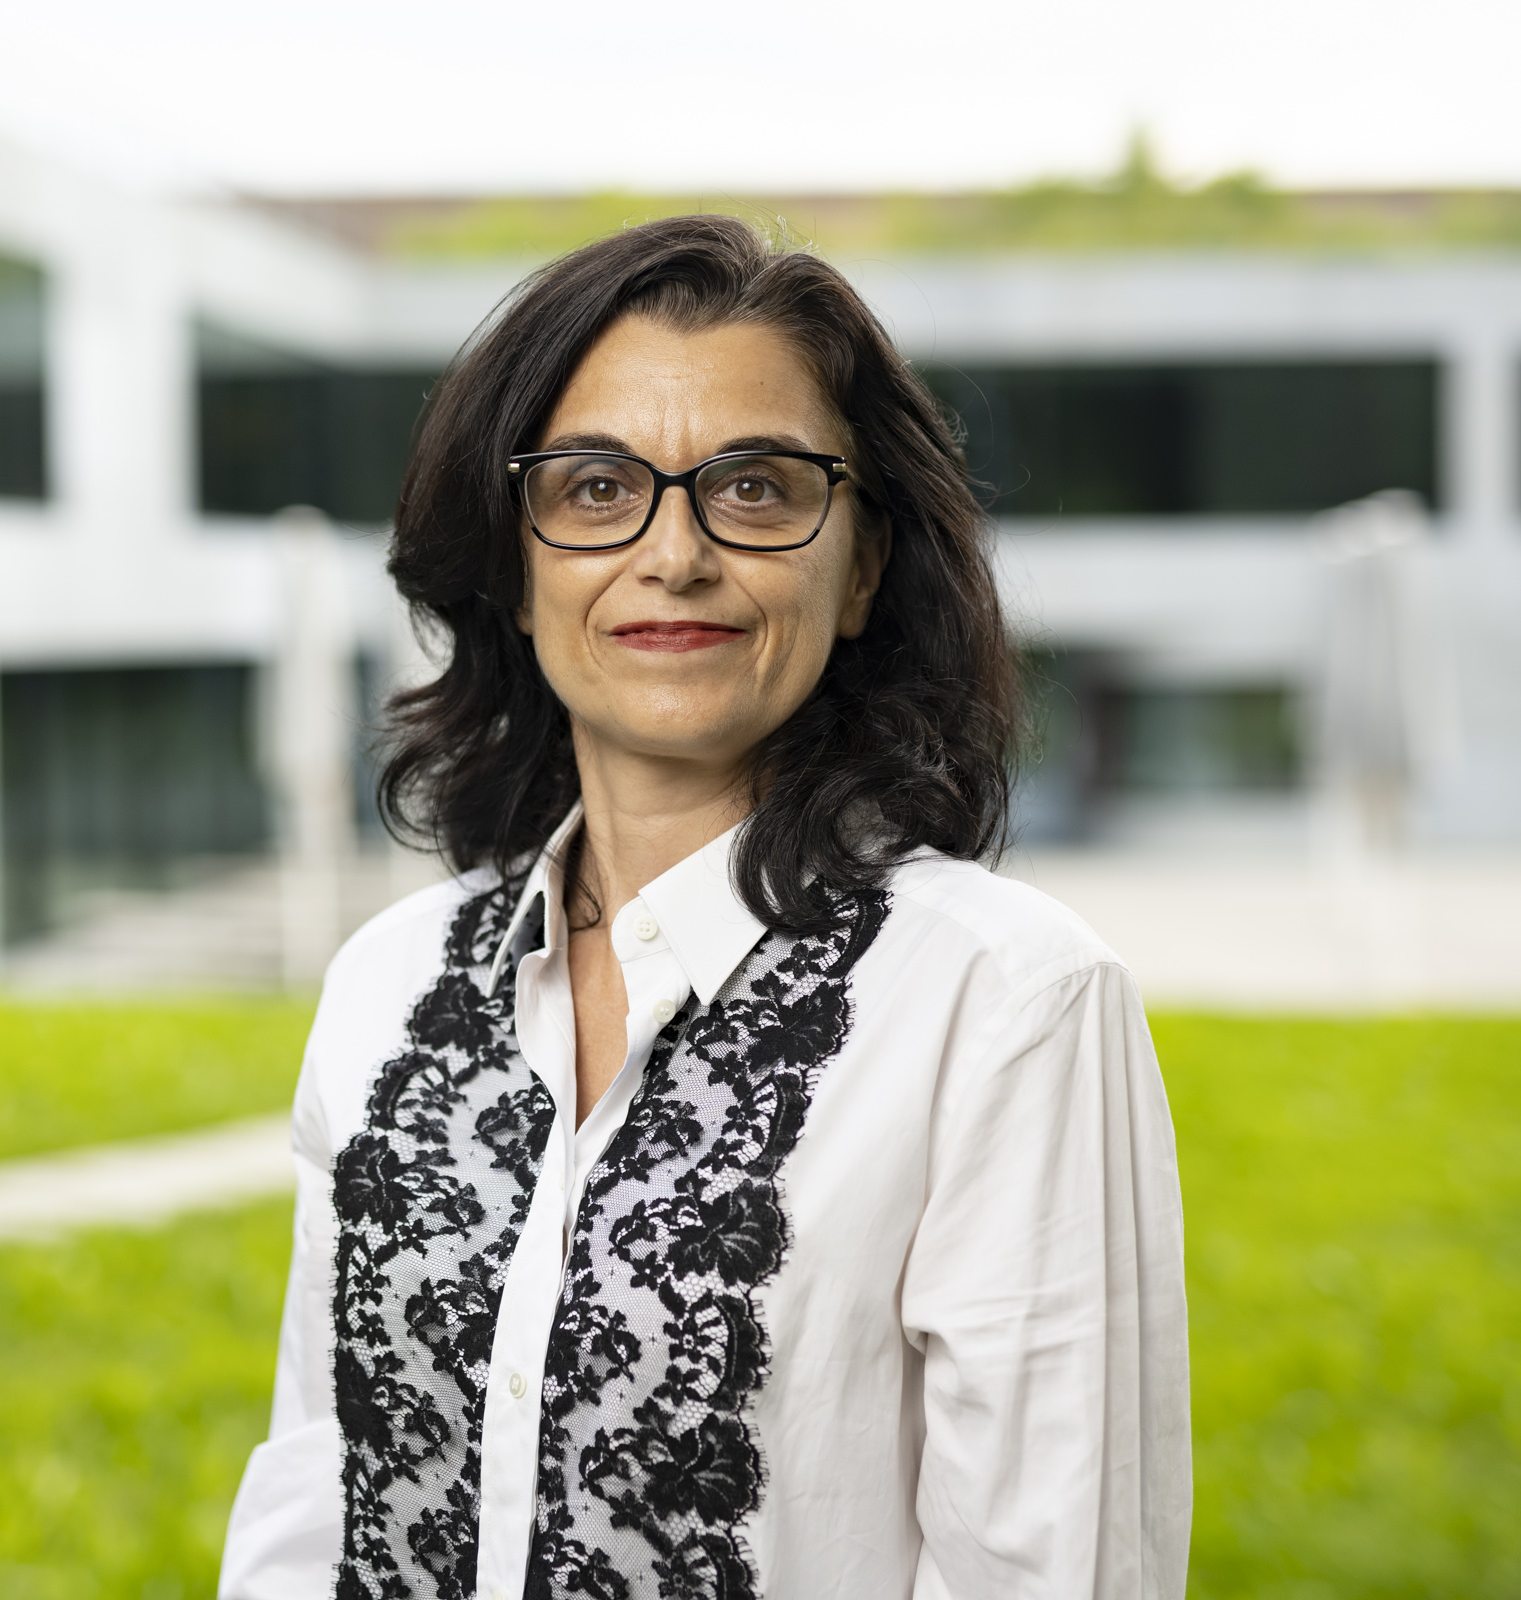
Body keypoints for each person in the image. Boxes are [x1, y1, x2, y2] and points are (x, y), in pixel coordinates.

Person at [219, 215, 1188, 1600]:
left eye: (756, 487)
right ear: (516, 561)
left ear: (860, 569)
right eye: (598, 487)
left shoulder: (1006, 1007)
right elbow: (309, 1503)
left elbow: (1054, 1573)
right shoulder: (385, 988)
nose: (673, 554)